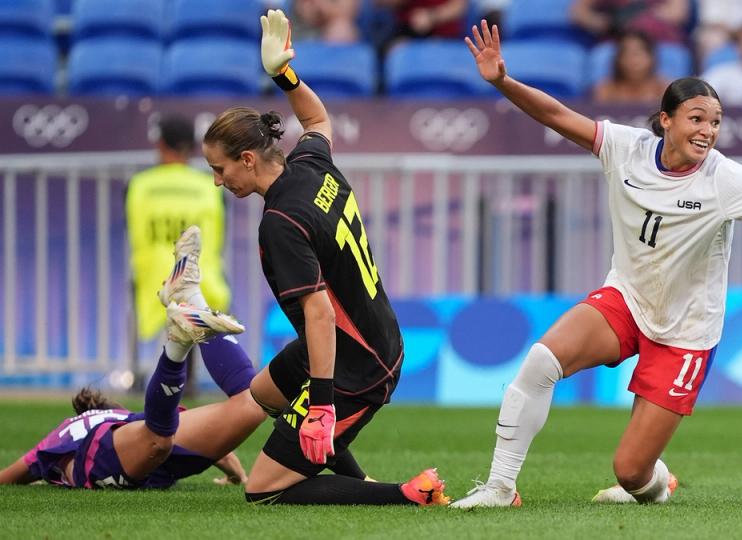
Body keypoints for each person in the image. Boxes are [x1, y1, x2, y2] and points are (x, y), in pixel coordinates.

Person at [452, 20, 742, 508]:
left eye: (715, 121)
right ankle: (499, 488)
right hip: (626, 297)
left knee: (630, 474)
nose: (707, 131)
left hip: (686, 331)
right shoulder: (625, 148)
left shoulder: (724, 177)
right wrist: (501, 81)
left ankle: (658, 480)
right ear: (666, 120)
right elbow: (557, 114)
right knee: (541, 361)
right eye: (696, 118)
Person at [200, 9, 448, 506]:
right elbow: (316, 118)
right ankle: (354, 472)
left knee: (264, 490)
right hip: (368, 335)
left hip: (360, 361)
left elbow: (318, 312)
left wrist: (320, 404)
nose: (217, 181)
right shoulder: (311, 163)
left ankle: (405, 494)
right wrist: (284, 76)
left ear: (248, 159)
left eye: (220, 169)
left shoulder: (281, 222)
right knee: (265, 395)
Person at [0, 227, 265, 489]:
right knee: (251, 404)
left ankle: (180, 338)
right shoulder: (122, 418)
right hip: (145, 435)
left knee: (162, 438)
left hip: (116, 452)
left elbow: (11, 475)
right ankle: (192, 298)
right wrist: (235, 475)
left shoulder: (62, 439)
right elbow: (213, 443)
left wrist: (233, 472)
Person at [126, 113, 231, 393]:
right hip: (200, 272)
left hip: (153, 272)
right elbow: (220, 228)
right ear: (193, 147)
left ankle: (141, 380)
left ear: (160, 144)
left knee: (150, 324)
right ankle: (191, 382)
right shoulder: (209, 186)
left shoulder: (139, 185)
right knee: (193, 324)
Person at [592, 31, 669, 104]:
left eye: (638, 53)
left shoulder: (664, 89)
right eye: (626, 53)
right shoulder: (606, 90)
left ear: (652, 57)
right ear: (618, 59)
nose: (634, 60)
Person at [570, 0, 689, 44]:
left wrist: (645, 17)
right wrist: (600, 22)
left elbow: (678, 13)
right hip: (617, 41)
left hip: (658, 40)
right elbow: (578, 12)